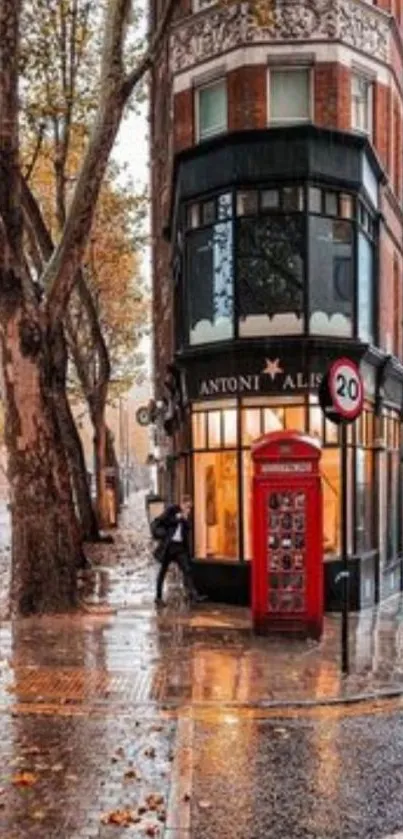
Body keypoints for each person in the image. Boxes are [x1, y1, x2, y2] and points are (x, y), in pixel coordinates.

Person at [152, 495, 206, 606]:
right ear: (182, 504)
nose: (189, 510)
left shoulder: (186, 515)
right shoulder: (172, 509)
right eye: (187, 507)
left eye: (190, 508)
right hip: (169, 546)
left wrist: (185, 519)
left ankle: (193, 595)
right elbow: (161, 521)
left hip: (179, 547)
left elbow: (187, 529)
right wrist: (177, 518)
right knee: (163, 572)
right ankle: (158, 597)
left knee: (187, 569)